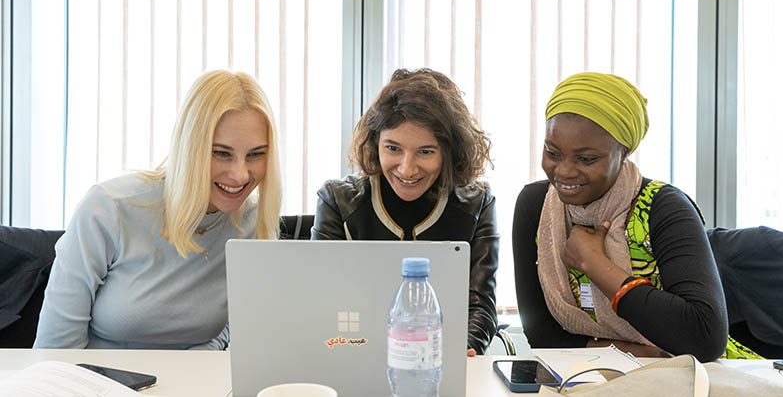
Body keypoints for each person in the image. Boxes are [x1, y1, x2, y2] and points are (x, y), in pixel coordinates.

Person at [34, 70, 282, 349]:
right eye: (221, 153)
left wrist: (200, 362)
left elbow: (234, 326)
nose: (240, 175)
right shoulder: (109, 208)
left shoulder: (251, 222)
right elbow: (55, 349)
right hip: (99, 385)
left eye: (256, 154)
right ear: (190, 148)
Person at [512, 72, 728, 362]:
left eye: (586, 159)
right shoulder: (535, 207)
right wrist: (635, 355)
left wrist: (595, 264)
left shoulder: (664, 208)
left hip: (692, 379)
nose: (563, 172)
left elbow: (704, 339)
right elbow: (541, 334)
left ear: (623, 152)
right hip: (583, 376)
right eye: (553, 152)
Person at [312, 68, 499, 356]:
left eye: (426, 152)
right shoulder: (337, 200)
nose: (407, 169)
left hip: (442, 361)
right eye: (393, 148)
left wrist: (464, 349)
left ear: (449, 152)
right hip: (356, 357)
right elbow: (322, 301)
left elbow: (480, 306)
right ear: (375, 144)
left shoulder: (477, 203)